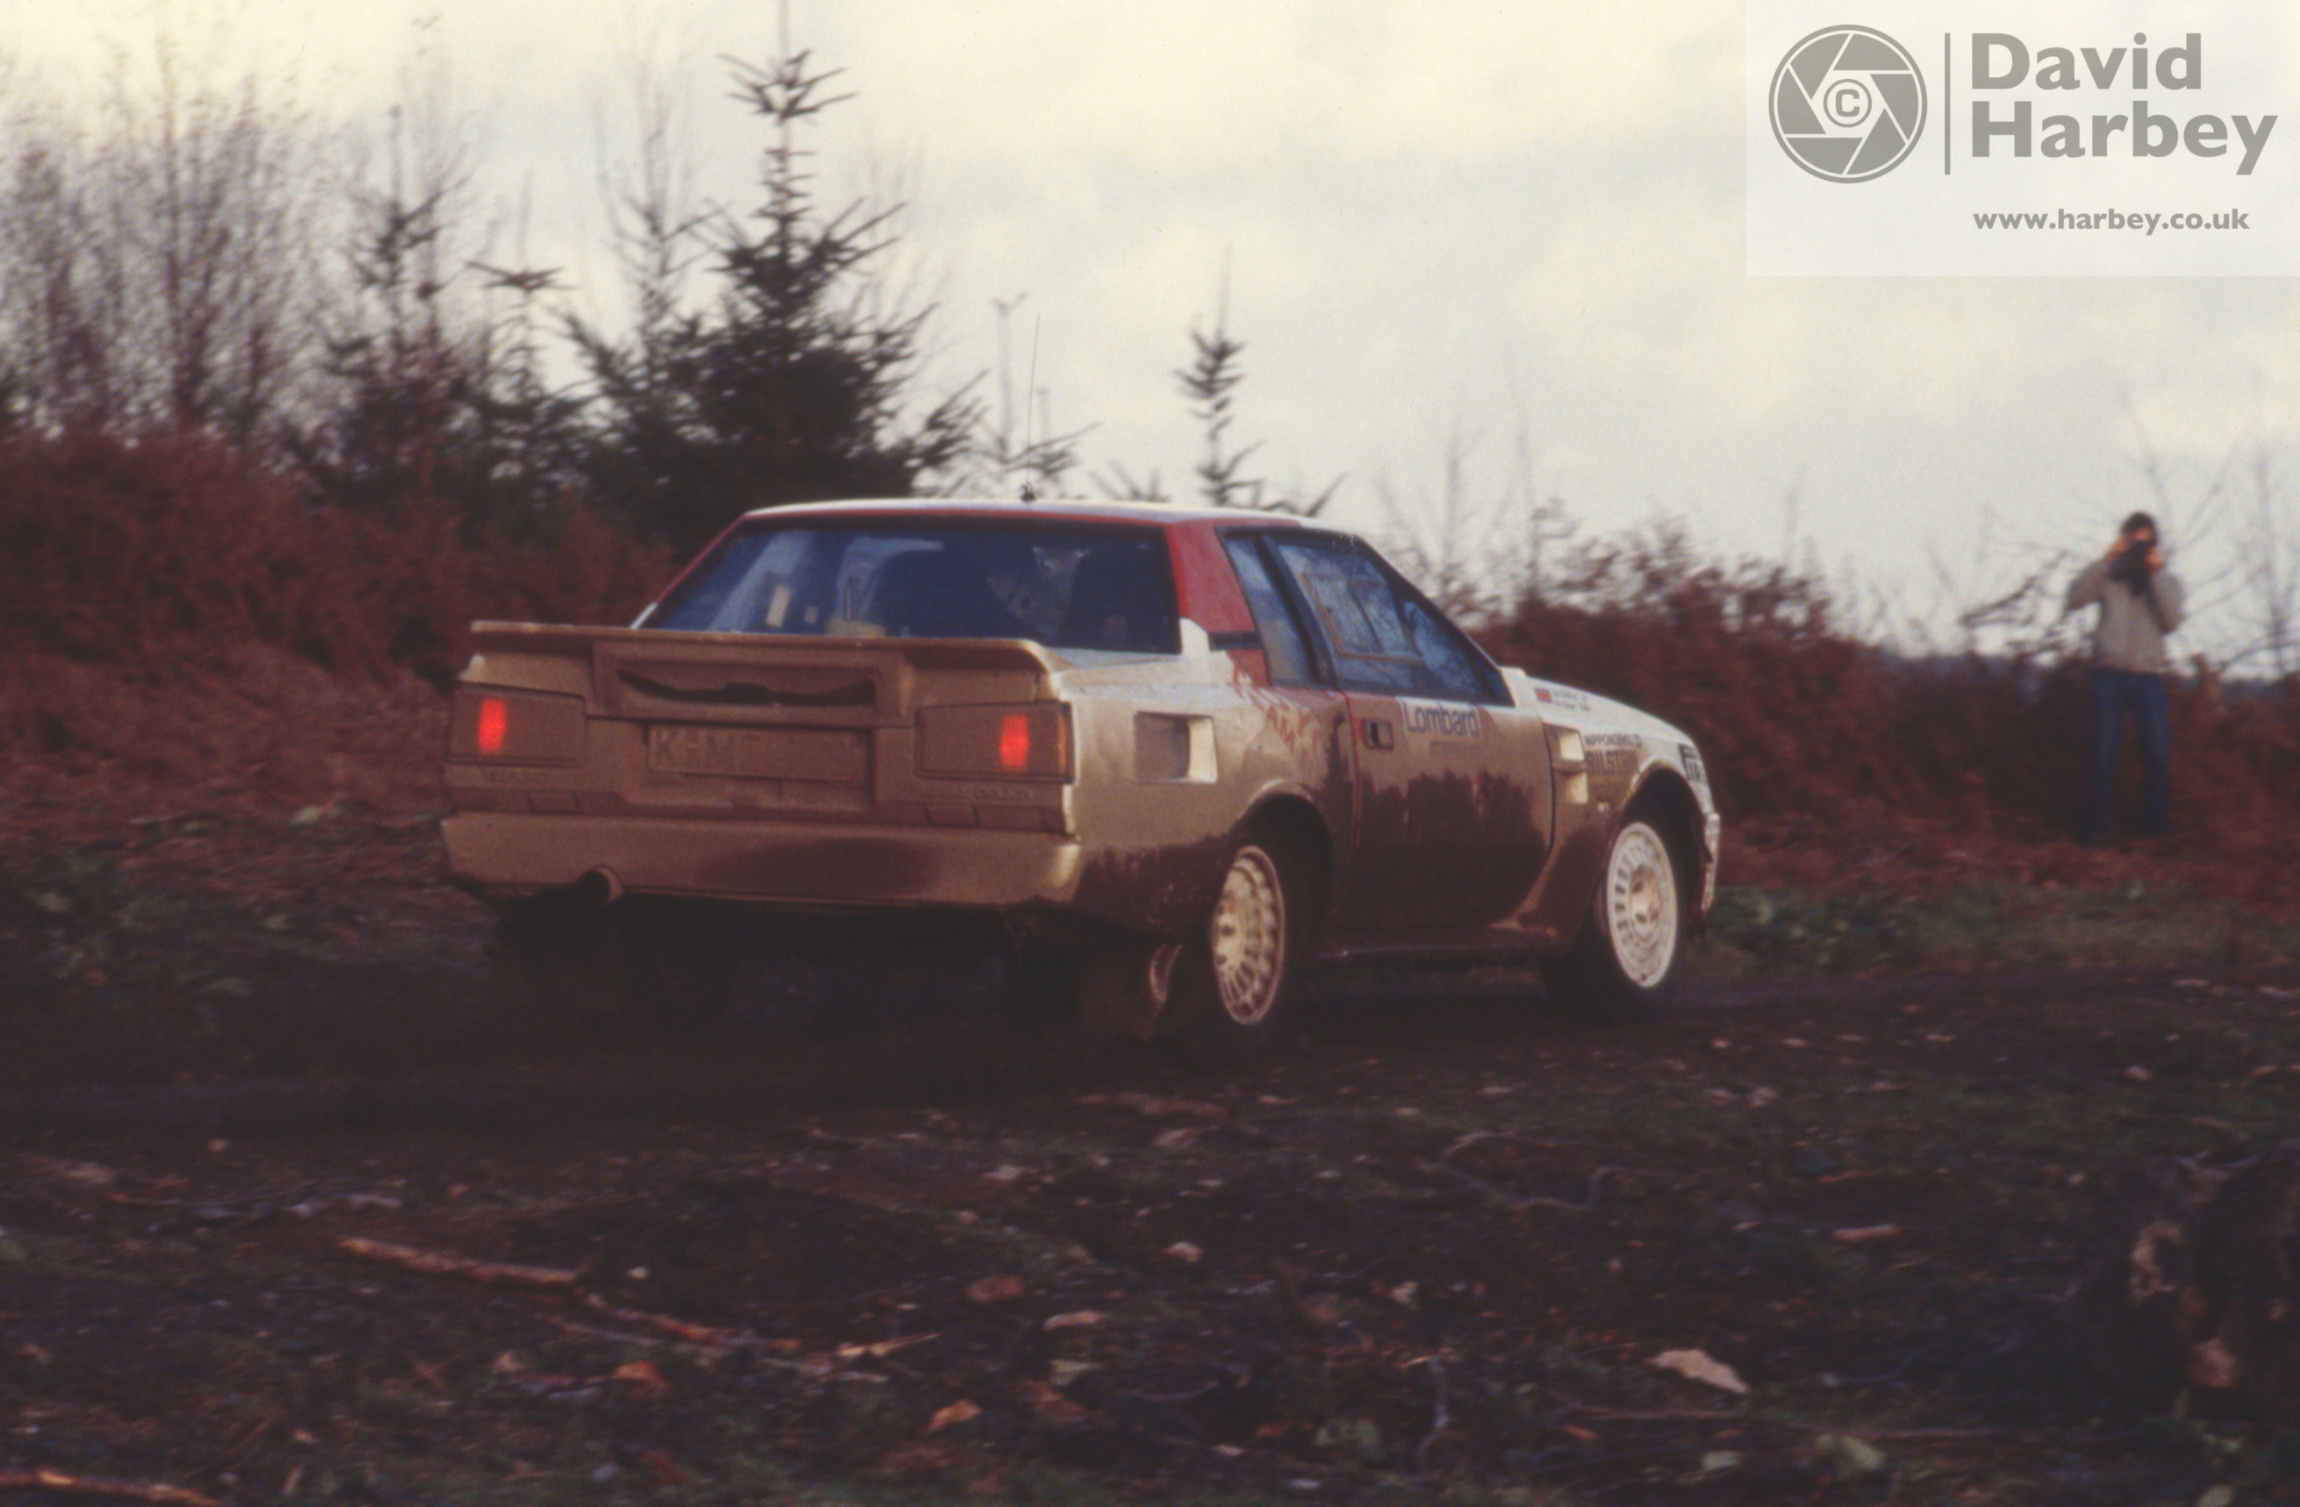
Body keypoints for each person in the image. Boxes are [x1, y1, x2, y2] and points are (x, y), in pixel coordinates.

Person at [2064, 511, 2185, 843]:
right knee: (2102, 753)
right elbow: (2075, 599)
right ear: (2123, 540)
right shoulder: (2109, 575)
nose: (2138, 549)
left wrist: (2155, 575)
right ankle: (2096, 830)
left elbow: (2172, 622)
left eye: (2145, 543)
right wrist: (2106, 560)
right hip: (2110, 675)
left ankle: (2157, 832)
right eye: (2133, 542)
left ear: (2155, 546)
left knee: (2156, 754)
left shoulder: (2168, 581)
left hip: (2149, 677)